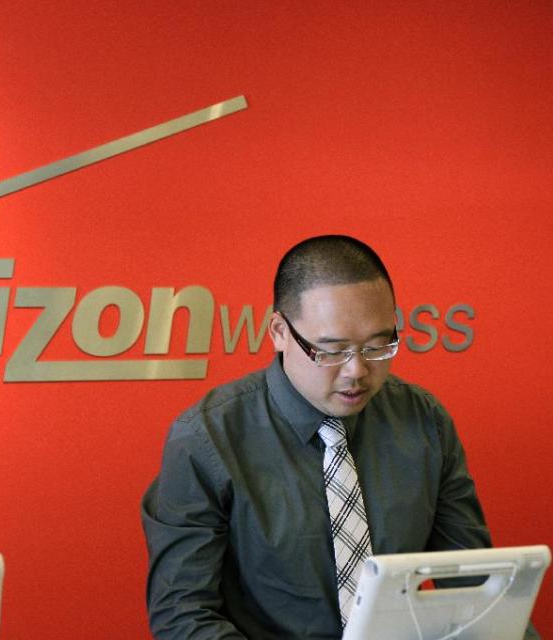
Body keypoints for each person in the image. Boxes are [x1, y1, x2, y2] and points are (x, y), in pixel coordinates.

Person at [141, 235, 503, 639]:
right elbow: (183, 616)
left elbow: (474, 586)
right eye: (332, 350)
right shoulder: (207, 439)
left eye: (377, 346)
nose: (357, 371)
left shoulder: (424, 422)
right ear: (279, 331)